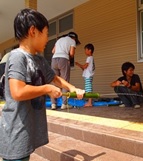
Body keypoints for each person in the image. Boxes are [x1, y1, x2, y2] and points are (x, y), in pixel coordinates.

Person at [0, 8, 85, 161]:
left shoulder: (39, 59)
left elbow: (55, 78)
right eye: (46, 33)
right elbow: (17, 92)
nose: (47, 39)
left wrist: (72, 88)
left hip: (27, 130)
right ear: (33, 31)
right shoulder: (17, 57)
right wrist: (47, 89)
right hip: (15, 132)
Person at [51, 31, 81, 110]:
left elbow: (53, 51)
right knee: (65, 81)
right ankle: (64, 104)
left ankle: (53, 104)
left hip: (54, 60)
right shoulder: (72, 41)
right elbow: (71, 53)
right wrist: (68, 58)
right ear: (74, 38)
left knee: (54, 80)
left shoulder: (59, 40)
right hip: (63, 59)